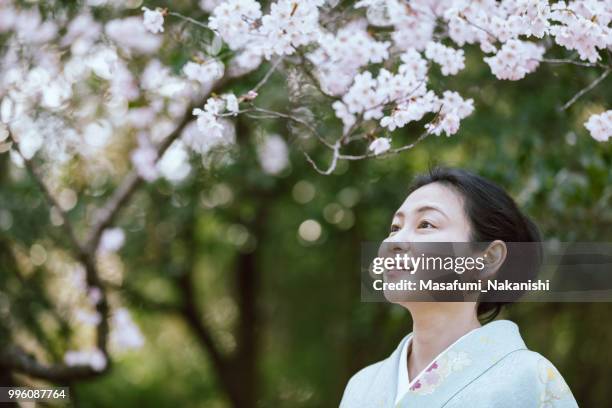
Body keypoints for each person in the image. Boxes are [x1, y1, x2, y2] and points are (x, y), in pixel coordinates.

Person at [340, 167, 578, 408]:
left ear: (489, 258)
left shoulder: (530, 380)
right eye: (395, 228)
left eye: (426, 224)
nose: (394, 242)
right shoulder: (361, 387)